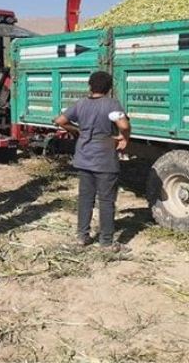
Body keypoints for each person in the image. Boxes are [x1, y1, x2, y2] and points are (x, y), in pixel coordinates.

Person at [53, 71, 131, 252]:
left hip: (84, 158)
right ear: (109, 87)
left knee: (85, 199)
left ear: (90, 86)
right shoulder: (112, 105)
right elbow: (124, 125)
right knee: (106, 200)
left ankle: (82, 237)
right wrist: (124, 138)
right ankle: (106, 242)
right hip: (104, 159)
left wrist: (77, 130)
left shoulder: (80, 104)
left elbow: (60, 120)